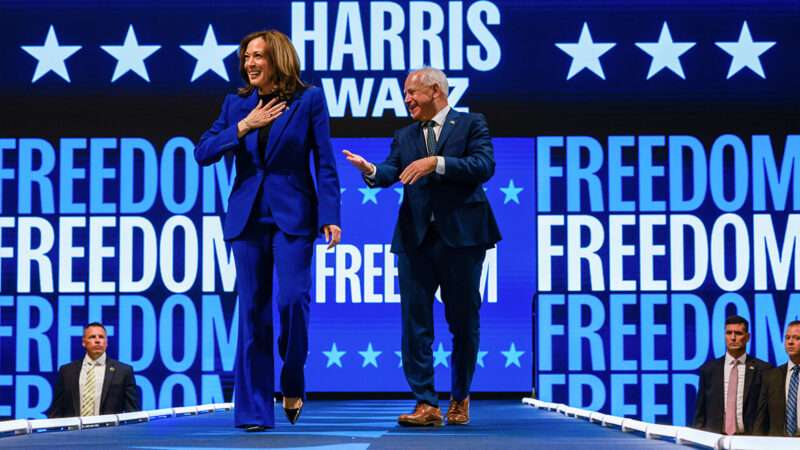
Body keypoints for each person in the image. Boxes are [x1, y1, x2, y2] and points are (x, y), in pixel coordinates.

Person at [194, 29, 341, 431]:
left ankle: (292, 378)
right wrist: (243, 127)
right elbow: (203, 152)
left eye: (257, 56)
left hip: (293, 215)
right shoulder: (235, 104)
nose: (249, 64)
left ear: (277, 58)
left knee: (293, 301)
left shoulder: (309, 99)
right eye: (245, 57)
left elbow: (324, 163)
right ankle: (255, 412)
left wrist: (331, 214)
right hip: (247, 219)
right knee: (253, 313)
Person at [343, 67, 501, 427]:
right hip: (415, 240)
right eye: (405, 95)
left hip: (463, 238)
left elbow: (484, 165)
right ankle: (426, 404)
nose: (407, 100)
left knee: (463, 321)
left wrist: (437, 163)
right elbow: (390, 172)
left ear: (435, 91)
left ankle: (459, 398)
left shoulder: (472, 123)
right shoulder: (404, 134)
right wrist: (370, 169)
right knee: (414, 324)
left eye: (412, 93)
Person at [692, 315, 771, 435]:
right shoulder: (709, 370)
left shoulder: (763, 370)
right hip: (715, 440)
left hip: (750, 441)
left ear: (748, 337)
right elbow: (700, 413)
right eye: (729, 333)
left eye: (738, 333)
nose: (733, 338)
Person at [48, 322, 139, 418]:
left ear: (106, 342)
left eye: (101, 337)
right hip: (74, 432)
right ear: (84, 342)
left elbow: (132, 412)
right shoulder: (66, 371)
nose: (97, 340)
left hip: (110, 432)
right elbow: (56, 410)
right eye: (92, 337)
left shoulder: (123, 371)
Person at [754, 320, 800, 436]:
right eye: (787, 337)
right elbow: (761, 419)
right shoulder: (771, 376)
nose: (790, 342)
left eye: (796, 338)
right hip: (777, 444)